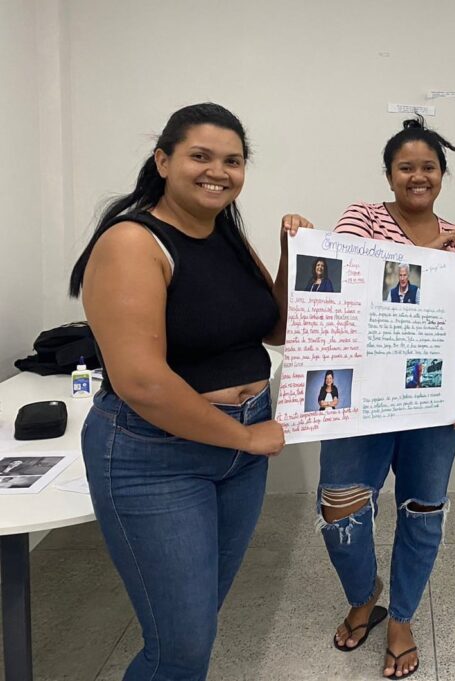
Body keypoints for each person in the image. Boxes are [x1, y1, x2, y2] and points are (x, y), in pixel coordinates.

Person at [67, 103, 311, 680]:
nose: (218, 171)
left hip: (240, 447)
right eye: (200, 156)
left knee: (197, 621)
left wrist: (290, 256)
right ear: (163, 160)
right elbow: (142, 383)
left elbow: (273, 327)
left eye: (233, 160)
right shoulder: (133, 242)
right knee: (179, 645)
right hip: (157, 456)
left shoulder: (226, 233)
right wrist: (245, 438)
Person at [321, 117, 455, 679]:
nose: (419, 177)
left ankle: (402, 618)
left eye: (429, 168)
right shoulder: (362, 217)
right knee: (340, 506)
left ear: (443, 175)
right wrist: (423, 264)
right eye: (406, 167)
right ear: (389, 174)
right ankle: (365, 593)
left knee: (423, 509)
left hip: (435, 394)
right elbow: (346, 287)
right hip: (364, 390)